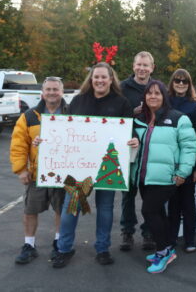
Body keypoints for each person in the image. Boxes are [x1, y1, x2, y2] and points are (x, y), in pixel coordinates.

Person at [52, 62, 139, 268]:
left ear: (111, 80)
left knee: (105, 209)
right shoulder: (78, 101)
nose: (99, 80)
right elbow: (64, 130)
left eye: (104, 77)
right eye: (96, 77)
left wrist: (134, 139)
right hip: (79, 167)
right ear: (91, 79)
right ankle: (64, 248)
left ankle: (102, 248)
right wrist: (47, 140)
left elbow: (129, 130)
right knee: (71, 209)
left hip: (108, 167)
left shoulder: (121, 103)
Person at [131, 80, 196, 273]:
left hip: (166, 177)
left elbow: (190, 147)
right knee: (158, 212)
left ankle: (162, 252)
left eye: (157, 93)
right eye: (149, 93)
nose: (153, 96)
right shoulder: (138, 119)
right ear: (144, 97)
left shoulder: (179, 118)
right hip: (144, 177)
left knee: (148, 211)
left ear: (164, 96)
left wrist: (183, 172)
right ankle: (167, 247)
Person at [10, 77, 68, 264]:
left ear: (62, 92)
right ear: (42, 93)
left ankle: (59, 242)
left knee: (61, 209)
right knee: (30, 209)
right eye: (48, 89)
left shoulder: (73, 113)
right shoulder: (29, 116)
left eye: (55, 89)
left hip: (63, 173)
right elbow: (19, 145)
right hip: (37, 173)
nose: (52, 92)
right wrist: (21, 169)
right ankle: (29, 245)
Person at [119, 51, 157, 252]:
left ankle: (149, 232)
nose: (142, 68)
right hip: (128, 147)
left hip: (150, 147)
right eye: (139, 65)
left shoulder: (157, 87)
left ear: (152, 67)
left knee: (149, 194)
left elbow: (165, 110)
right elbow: (115, 112)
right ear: (134, 66)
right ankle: (127, 232)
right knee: (128, 194)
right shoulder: (122, 87)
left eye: (146, 65)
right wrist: (130, 113)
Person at [166, 69, 196, 253]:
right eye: (177, 80)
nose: (181, 84)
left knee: (188, 203)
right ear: (172, 82)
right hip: (169, 161)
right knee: (172, 204)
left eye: (184, 81)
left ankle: (190, 240)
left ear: (189, 84)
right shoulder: (164, 103)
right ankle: (171, 239)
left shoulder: (195, 106)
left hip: (189, 160)